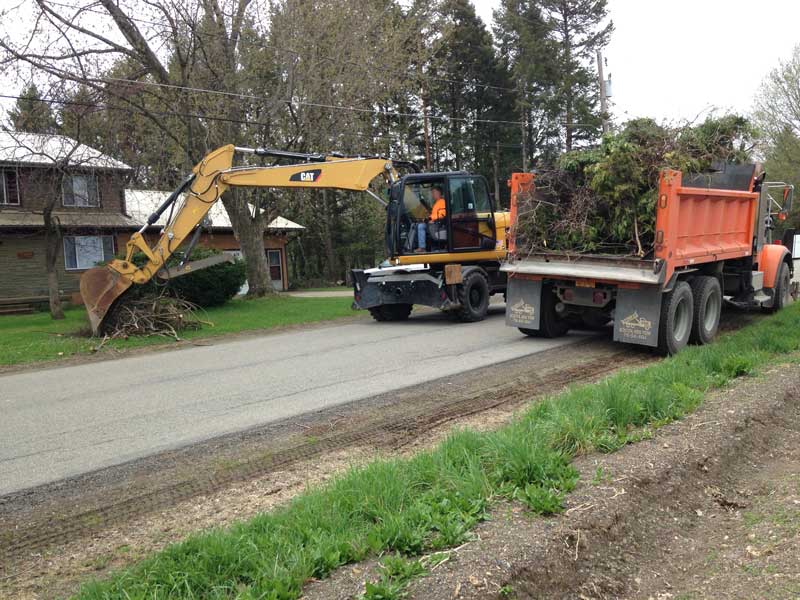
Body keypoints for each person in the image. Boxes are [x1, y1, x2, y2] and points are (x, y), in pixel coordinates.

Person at [416, 184, 446, 252]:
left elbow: (442, 214)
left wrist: (429, 219)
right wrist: (426, 218)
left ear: (439, 193)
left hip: (437, 224)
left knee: (420, 226)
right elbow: (434, 214)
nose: (432, 194)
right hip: (434, 223)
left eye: (434, 192)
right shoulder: (437, 203)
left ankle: (422, 247)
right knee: (418, 224)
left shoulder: (442, 202)